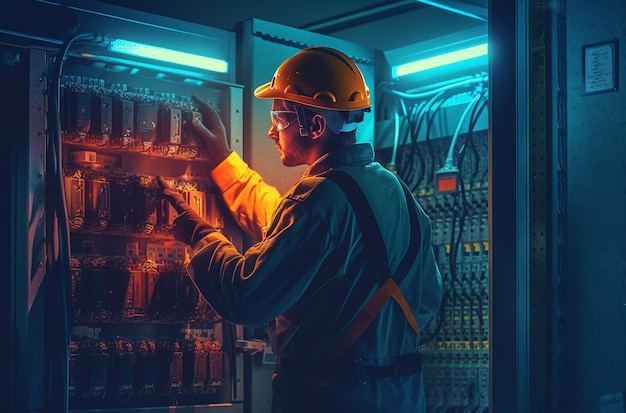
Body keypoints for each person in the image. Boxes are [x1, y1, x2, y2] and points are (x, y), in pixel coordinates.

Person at [157, 46, 442, 413]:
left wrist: (201, 236)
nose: (271, 131)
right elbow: (427, 299)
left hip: (331, 399)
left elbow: (248, 296)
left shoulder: (320, 200)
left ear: (316, 125)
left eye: (279, 117)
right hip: (401, 399)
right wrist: (225, 164)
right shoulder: (398, 194)